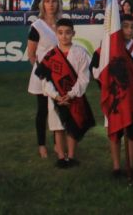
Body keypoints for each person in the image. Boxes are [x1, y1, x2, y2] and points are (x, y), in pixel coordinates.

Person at [97, 15, 133, 182]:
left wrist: (130, 89)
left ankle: (130, 166)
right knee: (114, 132)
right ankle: (116, 167)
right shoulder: (109, 49)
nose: (129, 30)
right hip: (115, 97)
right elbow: (99, 70)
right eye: (125, 26)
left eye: (132, 27)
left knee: (131, 132)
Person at [34, 19, 94, 169]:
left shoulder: (80, 53)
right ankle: (61, 157)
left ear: (73, 33)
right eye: (60, 33)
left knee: (72, 127)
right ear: (56, 34)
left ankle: (72, 156)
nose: (64, 36)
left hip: (74, 98)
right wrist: (56, 96)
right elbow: (45, 81)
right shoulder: (50, 56)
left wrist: (71, 94)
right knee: (58, 127)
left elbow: (84, 77)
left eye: (68, 33)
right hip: (56, 99)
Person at [26, 0, 61, 159]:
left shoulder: (63, 24)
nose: (51, 4)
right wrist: (41, 72)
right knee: (42, 111)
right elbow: (31, 54)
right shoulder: (37, 26)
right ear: (42, 4)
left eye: (53, 1)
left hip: (60, 75)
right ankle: (42, 146)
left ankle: (57, 144)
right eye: (47, 1)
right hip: (41, 75)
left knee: (58, 109)